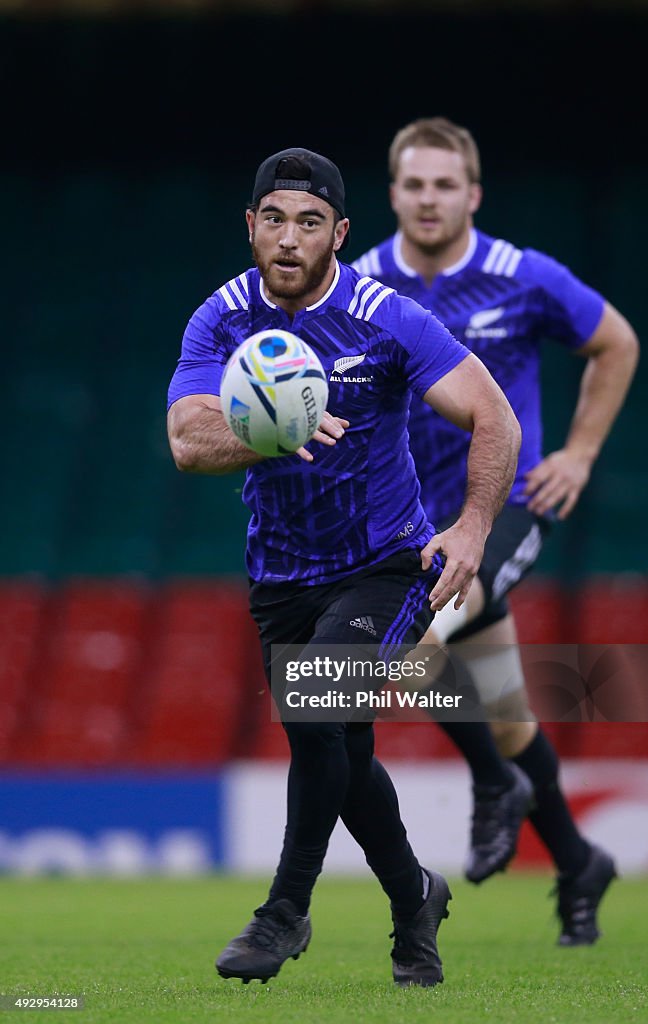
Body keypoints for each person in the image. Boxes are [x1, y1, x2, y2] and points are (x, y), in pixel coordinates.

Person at [166, 147, 521, 986]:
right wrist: (271, 430)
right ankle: (415, 902)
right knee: (343, 751)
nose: (290, 239)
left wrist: (470, 530)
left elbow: (493, 417)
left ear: (339, 234)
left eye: (311, 222)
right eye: (275, 220)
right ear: (252, 226)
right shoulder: (219, 319)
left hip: (387, 565)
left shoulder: (384, 317)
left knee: (321, 715)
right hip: (280, 578)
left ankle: (283, 911)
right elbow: (185, 441)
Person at [352, 117, 639, 946]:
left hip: (506, 506)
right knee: (507, 715)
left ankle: (488, 784)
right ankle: (579, 859)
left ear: (471, 194)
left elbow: (615, 343)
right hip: (408, 523)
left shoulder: (523, 276)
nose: (429, 198)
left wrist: (579, 454)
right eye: (414, 184)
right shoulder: (364, 285)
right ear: (394, 193)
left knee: (418, 631)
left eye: (445, 185)